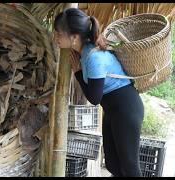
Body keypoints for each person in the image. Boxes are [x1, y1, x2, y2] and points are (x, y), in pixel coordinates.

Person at [53, 8, 144, 177]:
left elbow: (94, 98)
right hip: (114, 109)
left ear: (73, 37)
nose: (56, 38)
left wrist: (78, 73)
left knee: (130, 168)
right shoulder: (85, 50)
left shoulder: (93, 58)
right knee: (113, 165)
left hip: (126, 109)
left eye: (58, 33)